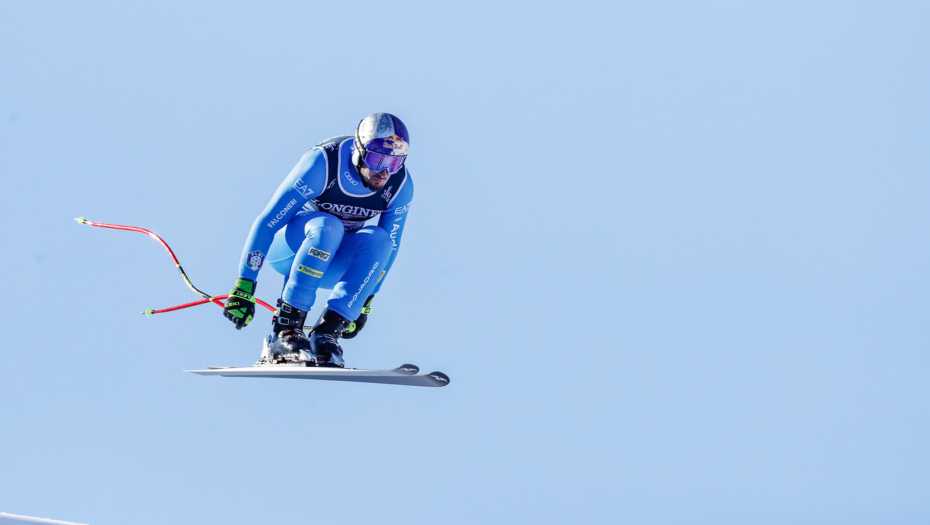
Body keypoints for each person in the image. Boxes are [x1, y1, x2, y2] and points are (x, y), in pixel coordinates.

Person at [221, 113, 413, 367]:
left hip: (334, 264)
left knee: (380, 241)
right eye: (378, 160)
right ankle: (285, 331)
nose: (385, 172)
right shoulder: (323, 163)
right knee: (328, 226)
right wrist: (245, 284)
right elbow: (268, 222)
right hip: (292, 249)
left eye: (395, 163)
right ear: (359, 150)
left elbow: (392, 248)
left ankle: (326, 334)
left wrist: (365, 301)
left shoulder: (399, 186)